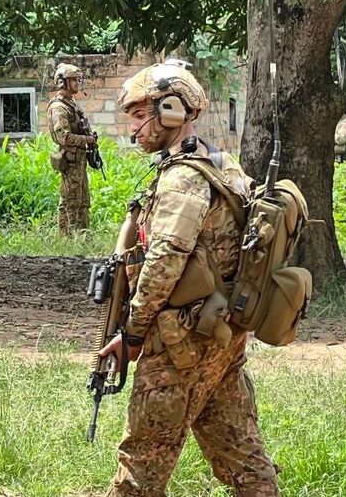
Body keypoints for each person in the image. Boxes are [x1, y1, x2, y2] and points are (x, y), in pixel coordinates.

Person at [99, 60, 280, 497]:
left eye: (142, 116)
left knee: (143, 459)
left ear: (173, 110)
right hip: (221, 335)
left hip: (182, 341)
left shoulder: (183, 178)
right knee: (240, 451)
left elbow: (164, 262)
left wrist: (133, 332)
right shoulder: (219, 161)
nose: (135, 129)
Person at [47, 63, 96, 234]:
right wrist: (87, 139)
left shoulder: (70, 104)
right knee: (69, 201)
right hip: (70, 160)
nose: (77, 83)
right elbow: (63, 137)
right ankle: (67, 239)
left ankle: (82, 236)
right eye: (73, 80)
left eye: (77, 79)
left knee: (82, 200)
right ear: (62, 82)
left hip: (79, 160)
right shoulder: (59, 107)